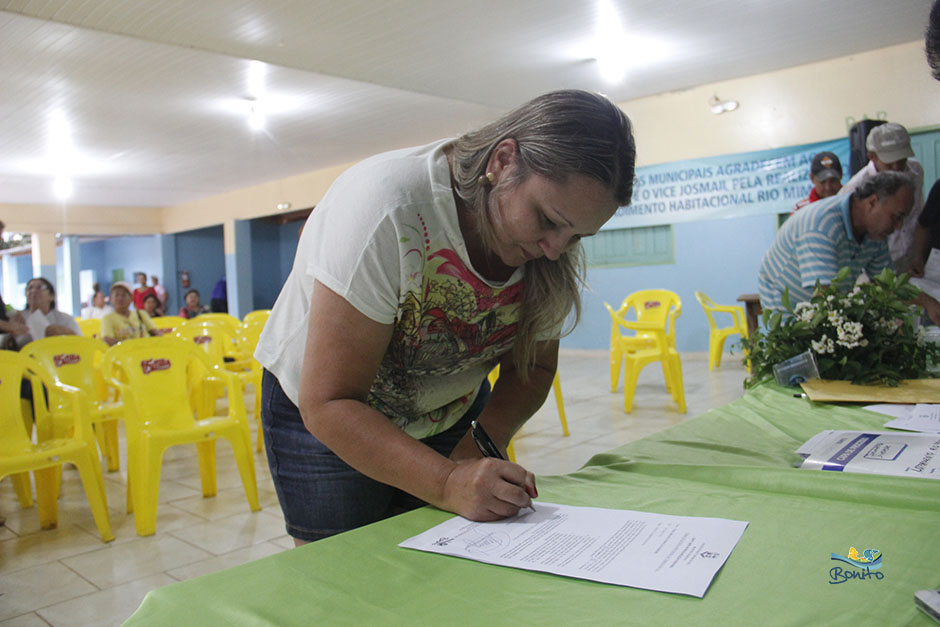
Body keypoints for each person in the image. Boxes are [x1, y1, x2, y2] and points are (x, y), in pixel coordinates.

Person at [254, 89, 636, 545]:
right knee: (345, 575)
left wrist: (478, 446)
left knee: (443, 565)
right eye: (547, 220)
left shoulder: (551, 243)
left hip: (445, 407)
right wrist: (445, 483)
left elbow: (532, 367)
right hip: (327, 413)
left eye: (577, 236)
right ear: (503, 161)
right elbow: (331, 401)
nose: (556, 250)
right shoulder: (387, 207)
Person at [759, 171, 940, 324]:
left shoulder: (875, 233)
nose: (899, 226)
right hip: (787, 310)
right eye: (896, 217)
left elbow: (888, 286)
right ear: (872, 202)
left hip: (825, 308)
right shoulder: (821, 226)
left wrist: (927, 302)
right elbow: (825, 298)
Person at [839, 123, 924, 272]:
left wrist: (918, 255)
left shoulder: (916, 172)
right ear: (872, 157)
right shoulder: (854, 189)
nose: (897, 168)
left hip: (911, 257)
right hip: (876, 266)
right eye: (889, 162)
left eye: (901, 160)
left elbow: (916, 215)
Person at [12, 278, 82, 347]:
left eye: (39, 287)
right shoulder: (18, 318)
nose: (33, 291)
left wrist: (67, 332)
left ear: (52, 296)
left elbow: (81, 342)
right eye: (29, 288)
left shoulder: (65, 319)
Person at [101, 281, 158, 346]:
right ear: (111, 299)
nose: (120, 298)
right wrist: (129, 347)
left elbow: (155, 332)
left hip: (147, 351)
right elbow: (107, 339)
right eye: (116, 295)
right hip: (123, 354)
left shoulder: (141, 314)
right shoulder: (108, 318)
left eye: (124, 295)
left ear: (131, 298)